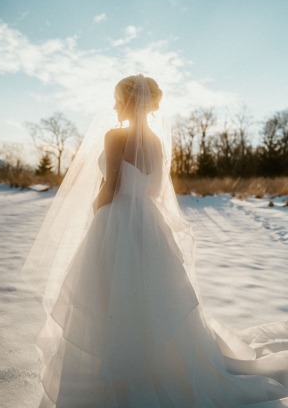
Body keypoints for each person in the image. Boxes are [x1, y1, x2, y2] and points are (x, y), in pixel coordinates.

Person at [22, 74, 288, 408]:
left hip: (116, 220)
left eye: (118, 98)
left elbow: (111, 185)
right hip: (149, 222)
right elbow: (155, 188)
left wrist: (97, 208)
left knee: (109, 293)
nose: (115, 105)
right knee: (149, 294)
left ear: (128, 100)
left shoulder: (115, 136)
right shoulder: (156, 142)